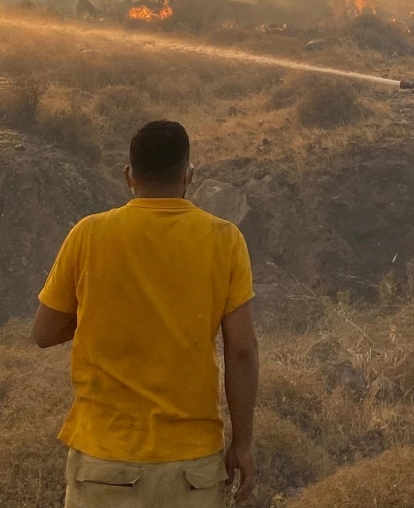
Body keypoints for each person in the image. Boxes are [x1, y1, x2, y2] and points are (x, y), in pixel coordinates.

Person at [33, 120, 258, 507]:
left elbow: (44, 332)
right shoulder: (225, 240)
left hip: (105, 462)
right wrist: (243, 444)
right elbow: (242, 350)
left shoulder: (89, 234)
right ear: (189, 175)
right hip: (191, 467)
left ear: (128, 176)